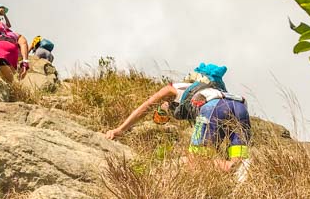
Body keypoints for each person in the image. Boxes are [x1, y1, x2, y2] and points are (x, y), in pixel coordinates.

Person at [104, 63, 251, 170]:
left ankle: (229, 166)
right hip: (241, 107)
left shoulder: (174, 88)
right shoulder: (216, 90)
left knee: (196, 162)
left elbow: (145, 107)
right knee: (240, 161)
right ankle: (240, 166)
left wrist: (120, 129)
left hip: (213, 108)